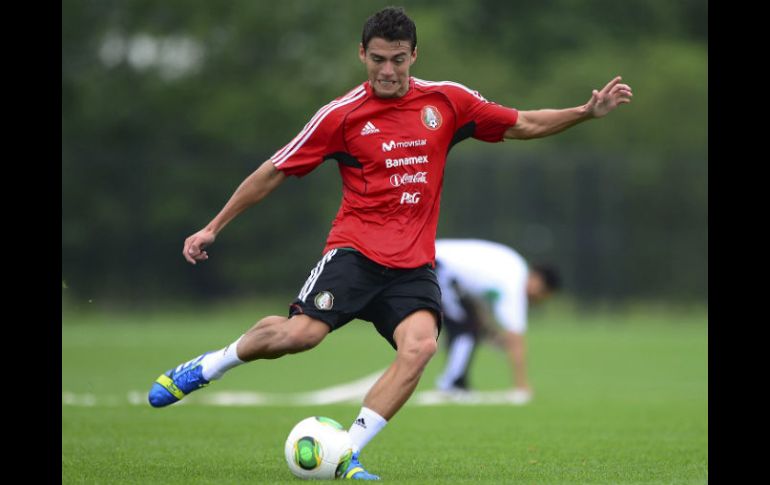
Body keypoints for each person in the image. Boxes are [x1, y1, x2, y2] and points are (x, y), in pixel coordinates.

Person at [146, 6, 632, 480]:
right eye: (378, 59)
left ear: (414, 55)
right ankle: (212, 364)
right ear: (362, 54)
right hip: (354, 254)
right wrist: (213, 226)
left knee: (420, 348)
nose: (388, 70)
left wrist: (585, 112)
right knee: (300, 337)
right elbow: (274, 171)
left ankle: (347, 453)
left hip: (412, 266)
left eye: (398, 59)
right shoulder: (340, 116)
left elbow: (522, 123)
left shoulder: (447, 102)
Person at [433, 239, 560, 403]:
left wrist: (490, 333)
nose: (538, 300)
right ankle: (452, 385)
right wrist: (521, 385)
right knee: (465, 330)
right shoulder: (513, 285)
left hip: (436, 262)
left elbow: (476, 305)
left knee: (467, 325)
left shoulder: (513, 269)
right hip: (436, 265)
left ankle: (455, 383)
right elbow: (516, 339)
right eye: (542, 295)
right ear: (538, 281)